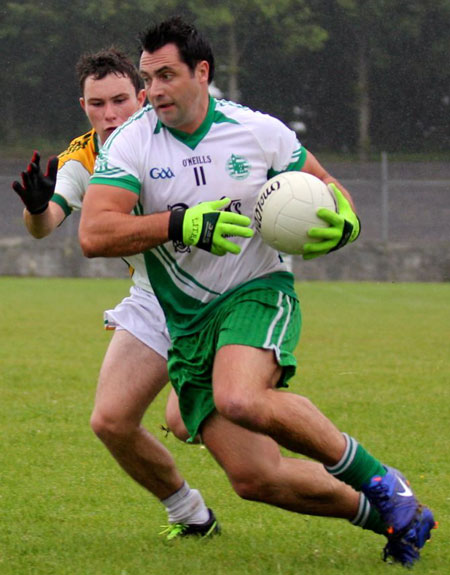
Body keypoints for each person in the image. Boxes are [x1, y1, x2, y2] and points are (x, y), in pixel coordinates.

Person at [78, 18, 436, 566]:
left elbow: (332, 192)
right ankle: (388, 515)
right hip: (186, 322)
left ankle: (384, 481)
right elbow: (94, 233)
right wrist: (180, 224)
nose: (154, 91)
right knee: (255, 478)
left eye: (167, 76)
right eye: (148, 78)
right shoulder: (131, 143)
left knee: (240, 396)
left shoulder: (259, 131)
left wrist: (345, 223)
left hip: (256, 290)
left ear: (203, 72)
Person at [12, 48, 219, 538]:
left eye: (121, 100)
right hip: (152, 297)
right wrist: (38, 207)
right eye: (97, 103)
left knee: (188, 422)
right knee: (110, 421)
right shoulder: (82, 155)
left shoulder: (180, 130)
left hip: (218, 292)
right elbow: (48, 224)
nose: (110, 115)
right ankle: (190, 515)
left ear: (143, 95)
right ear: (82, 104)